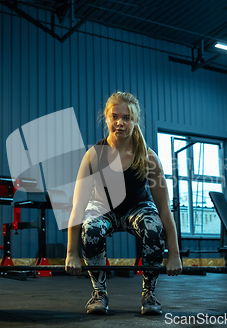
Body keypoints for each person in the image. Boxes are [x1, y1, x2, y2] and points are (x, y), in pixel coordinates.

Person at [65, 91, 182, 315]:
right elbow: (78, 207)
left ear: (135, 121)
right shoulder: (93, 155)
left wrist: (174, 255)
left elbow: (164, 210)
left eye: (127, 118)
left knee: (153, 226)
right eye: (115, 116)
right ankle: (99, 293)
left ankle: (149, 293)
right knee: (91, 228)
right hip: (103, 207)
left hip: (137, 208)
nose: (120, 123)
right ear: (106, 118)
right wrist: (71, 253)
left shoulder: (148, 158)